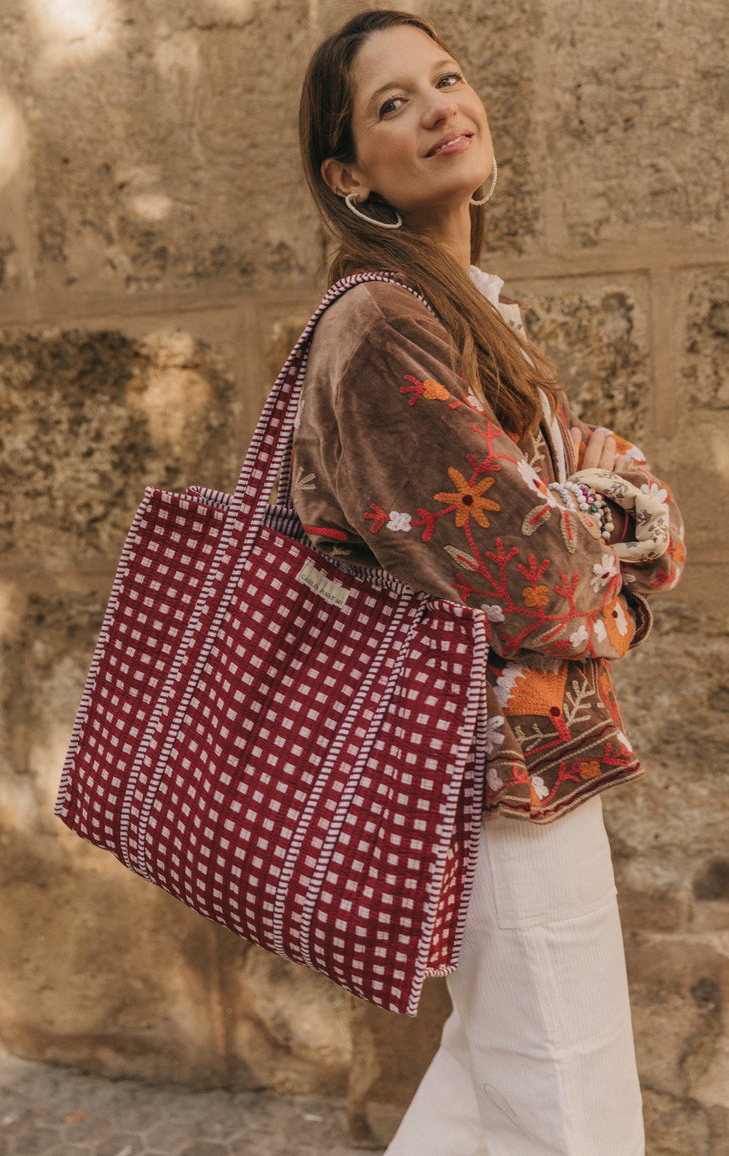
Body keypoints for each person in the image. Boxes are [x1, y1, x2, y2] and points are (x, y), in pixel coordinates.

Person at [293, 10, 685, 1155]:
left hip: (522, 758)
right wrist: (607, 517)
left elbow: (585, 512)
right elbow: (541, 576)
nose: (438, 109)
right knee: (562, 1102)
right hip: (481, 773)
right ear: (347, 171)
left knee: (501, 1088)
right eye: (391, 105)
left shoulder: (458, 309)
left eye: (446, 79)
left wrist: (591, 512)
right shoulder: (376, 324)